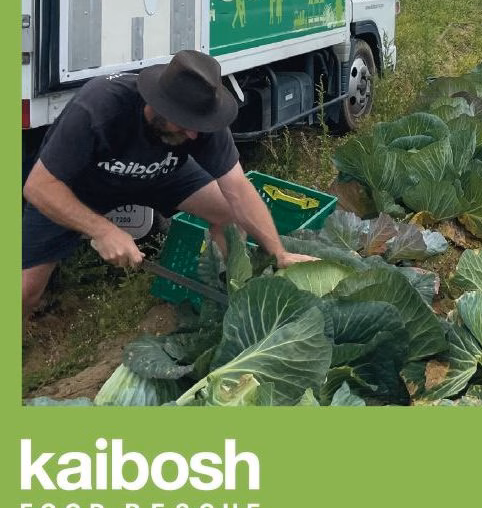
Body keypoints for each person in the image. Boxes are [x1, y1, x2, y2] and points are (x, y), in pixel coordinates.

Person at [22, 50, 316, 319]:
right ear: (156, 105)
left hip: (159, 173)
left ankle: (235, 301)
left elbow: (238, 188)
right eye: (184, 123)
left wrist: (279, 253)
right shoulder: (100, 106)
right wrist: (104, 230)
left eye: (197, 125)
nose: (192, 135)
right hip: (78, 187)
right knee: (26, 292)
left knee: (227, 214)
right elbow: (38, 186)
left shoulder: (201, 121)